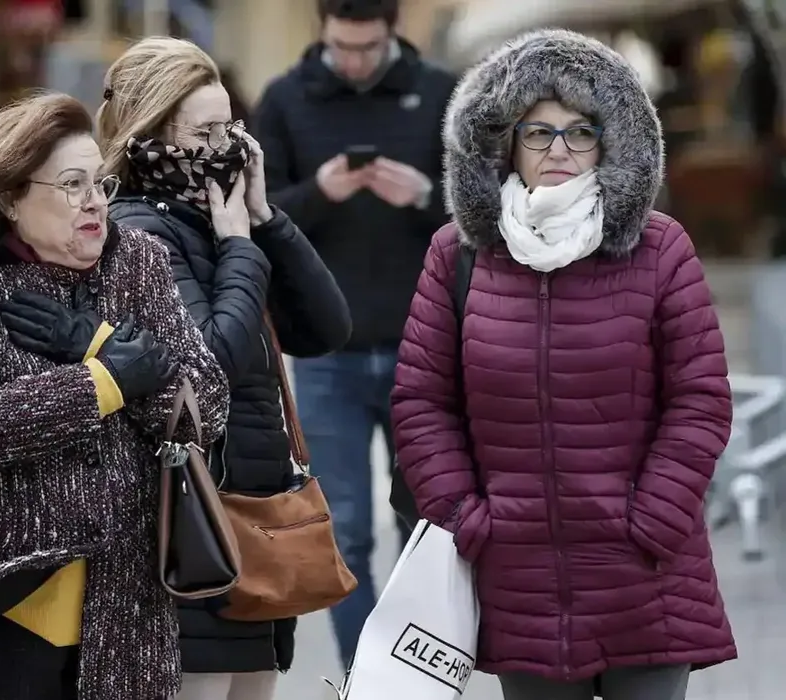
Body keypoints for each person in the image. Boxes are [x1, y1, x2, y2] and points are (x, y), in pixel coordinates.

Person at [391, 29, 736, 700]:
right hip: (520, 580)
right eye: (538, 132)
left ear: (611, 140)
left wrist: (651, 519)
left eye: (580, 132)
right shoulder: (459, 255)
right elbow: (421, 400)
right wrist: (468, 516)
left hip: (644, 572)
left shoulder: (660, 249)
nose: (558, 151)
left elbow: (698, 398)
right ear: (503, 141)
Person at [0, 92, 230, 700]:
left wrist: (102, 343)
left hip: (126, 603)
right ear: (10, 198)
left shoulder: (138, 263)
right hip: (4, 597)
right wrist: (102, 382)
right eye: (72, 185)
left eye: (100, 184)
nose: (96, 204)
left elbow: (205, 404)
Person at [98, 36, 352, 700]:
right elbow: (210, 360)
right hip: (195, 532)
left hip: (253, 529)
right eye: (204, 132)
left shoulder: (215, 219)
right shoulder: (143, 236)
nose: (226, 148)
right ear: (150, 136)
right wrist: (239, 246)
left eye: (230, 127)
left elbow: (326, 328)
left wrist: (265, 219)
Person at [251, 0, 458, 668]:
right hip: (324, 351)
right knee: (341, 531)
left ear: (393, 32)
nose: (356, 61)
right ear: (323, 32)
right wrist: (321, 191)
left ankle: (413, 675)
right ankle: (365, 677)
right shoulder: (285, 99)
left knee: (424, 529)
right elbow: (258, 214)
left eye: (369, 48)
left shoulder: (441, 94)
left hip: (424, 350)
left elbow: (481, 208)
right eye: (343, 47)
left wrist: (426, 194)